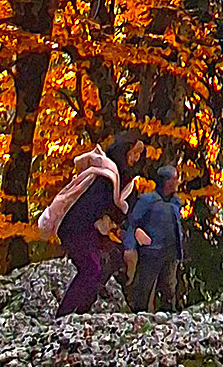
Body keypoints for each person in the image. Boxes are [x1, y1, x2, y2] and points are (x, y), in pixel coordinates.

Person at [41, 130, 144, 316]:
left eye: (138, 154)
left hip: (83, 229)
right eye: (133, 153)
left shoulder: (116, 177)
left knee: (103, 264)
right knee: (91, 268)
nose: (136, 158)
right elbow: (91, 207)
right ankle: (67, 314)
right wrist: (109, 220)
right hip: (76, 228)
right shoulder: (107, 177)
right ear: (124, 151)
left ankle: (80, 311)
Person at [124, 160, 185, 314]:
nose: (177, 182)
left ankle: (169, 317)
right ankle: (139, 316)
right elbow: (133, 224)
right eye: (175, 178)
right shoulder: (147, 201)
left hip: (171, 253)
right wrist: (130, 247)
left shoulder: (176, 203)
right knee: (145, 288)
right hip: (151, 253)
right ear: (167, 181)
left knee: (169, 288)